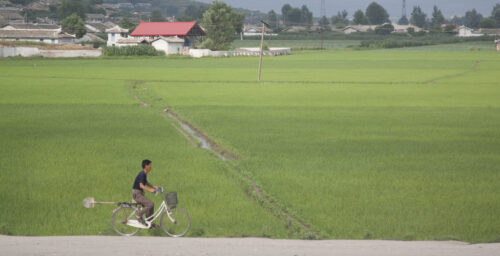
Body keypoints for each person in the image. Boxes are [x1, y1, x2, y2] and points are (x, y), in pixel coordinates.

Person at [132, 159, 158, 226]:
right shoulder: (142, 174)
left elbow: (145, 182)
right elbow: (141, 186)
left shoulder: (144, 174)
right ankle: (138, 215)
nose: (151, 167)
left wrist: (153, 187)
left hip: (139, 193)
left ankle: (150, 222)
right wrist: (150, 190)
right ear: (146, 166)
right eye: (149, 165)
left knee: (151, 205)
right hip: (137, 194)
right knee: (150, 204)